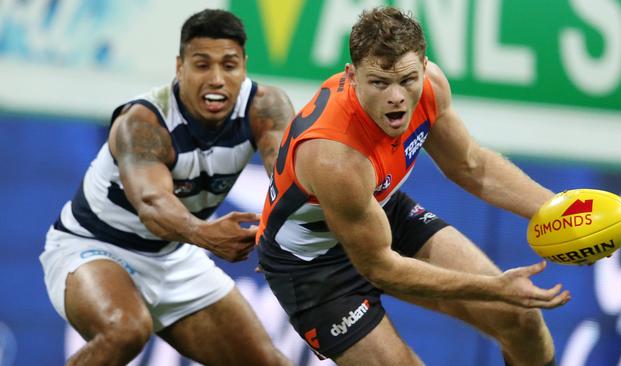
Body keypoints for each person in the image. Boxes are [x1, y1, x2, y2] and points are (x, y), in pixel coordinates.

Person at [256, 6, 570, 366]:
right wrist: (495, 288)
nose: (396, 97)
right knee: (502, 302)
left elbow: (471, 165)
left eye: (407, 80)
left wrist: (563, 210)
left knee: (521, 320)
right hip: (312, 268)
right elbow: (381, 268)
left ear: (424, 68)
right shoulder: (335, 156)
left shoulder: (431, 87)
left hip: (379, 210)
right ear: (352, 76)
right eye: (379, 83)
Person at [39, 9, 294, 366]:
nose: (217, 79)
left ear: (245, 66)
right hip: (95, 247)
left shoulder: (265, 107)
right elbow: (153, 204)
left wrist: (292, 232)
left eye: (229, 65)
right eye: (202, 65)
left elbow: (290, 179)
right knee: (125, 330)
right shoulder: (144, 122)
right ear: (180, 67)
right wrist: (206, 235)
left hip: (174, 257)